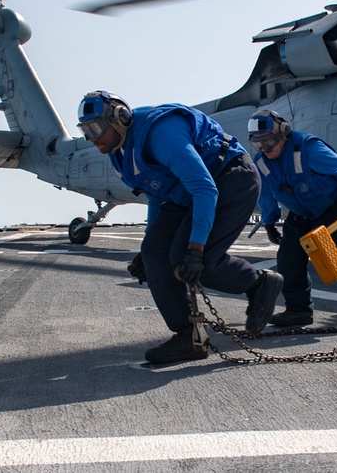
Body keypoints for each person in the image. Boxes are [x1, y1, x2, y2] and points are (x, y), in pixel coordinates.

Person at [77, 91, 283, 364]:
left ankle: (259, 283)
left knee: (195, 261)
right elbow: (156, 194)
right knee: (154, 255)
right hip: (184, 194)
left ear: (119, 119)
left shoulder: (161, 134)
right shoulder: (120, 151)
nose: (91, 137)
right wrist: (149, 246)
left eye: (95, 128)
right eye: (85, 130)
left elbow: (205, 189)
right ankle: (189, 336)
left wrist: (196, 249)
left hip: (230, 179)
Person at [247, 110, 337, 327]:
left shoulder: (308, 148)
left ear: (283, 133)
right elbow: (266, 194)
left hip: (334, 205)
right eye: (259, 144)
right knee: (289, 258)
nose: (265, 148)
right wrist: (270, 222)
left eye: (269, 141)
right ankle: (298, 310)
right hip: (302, 214)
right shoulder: (262, 163)